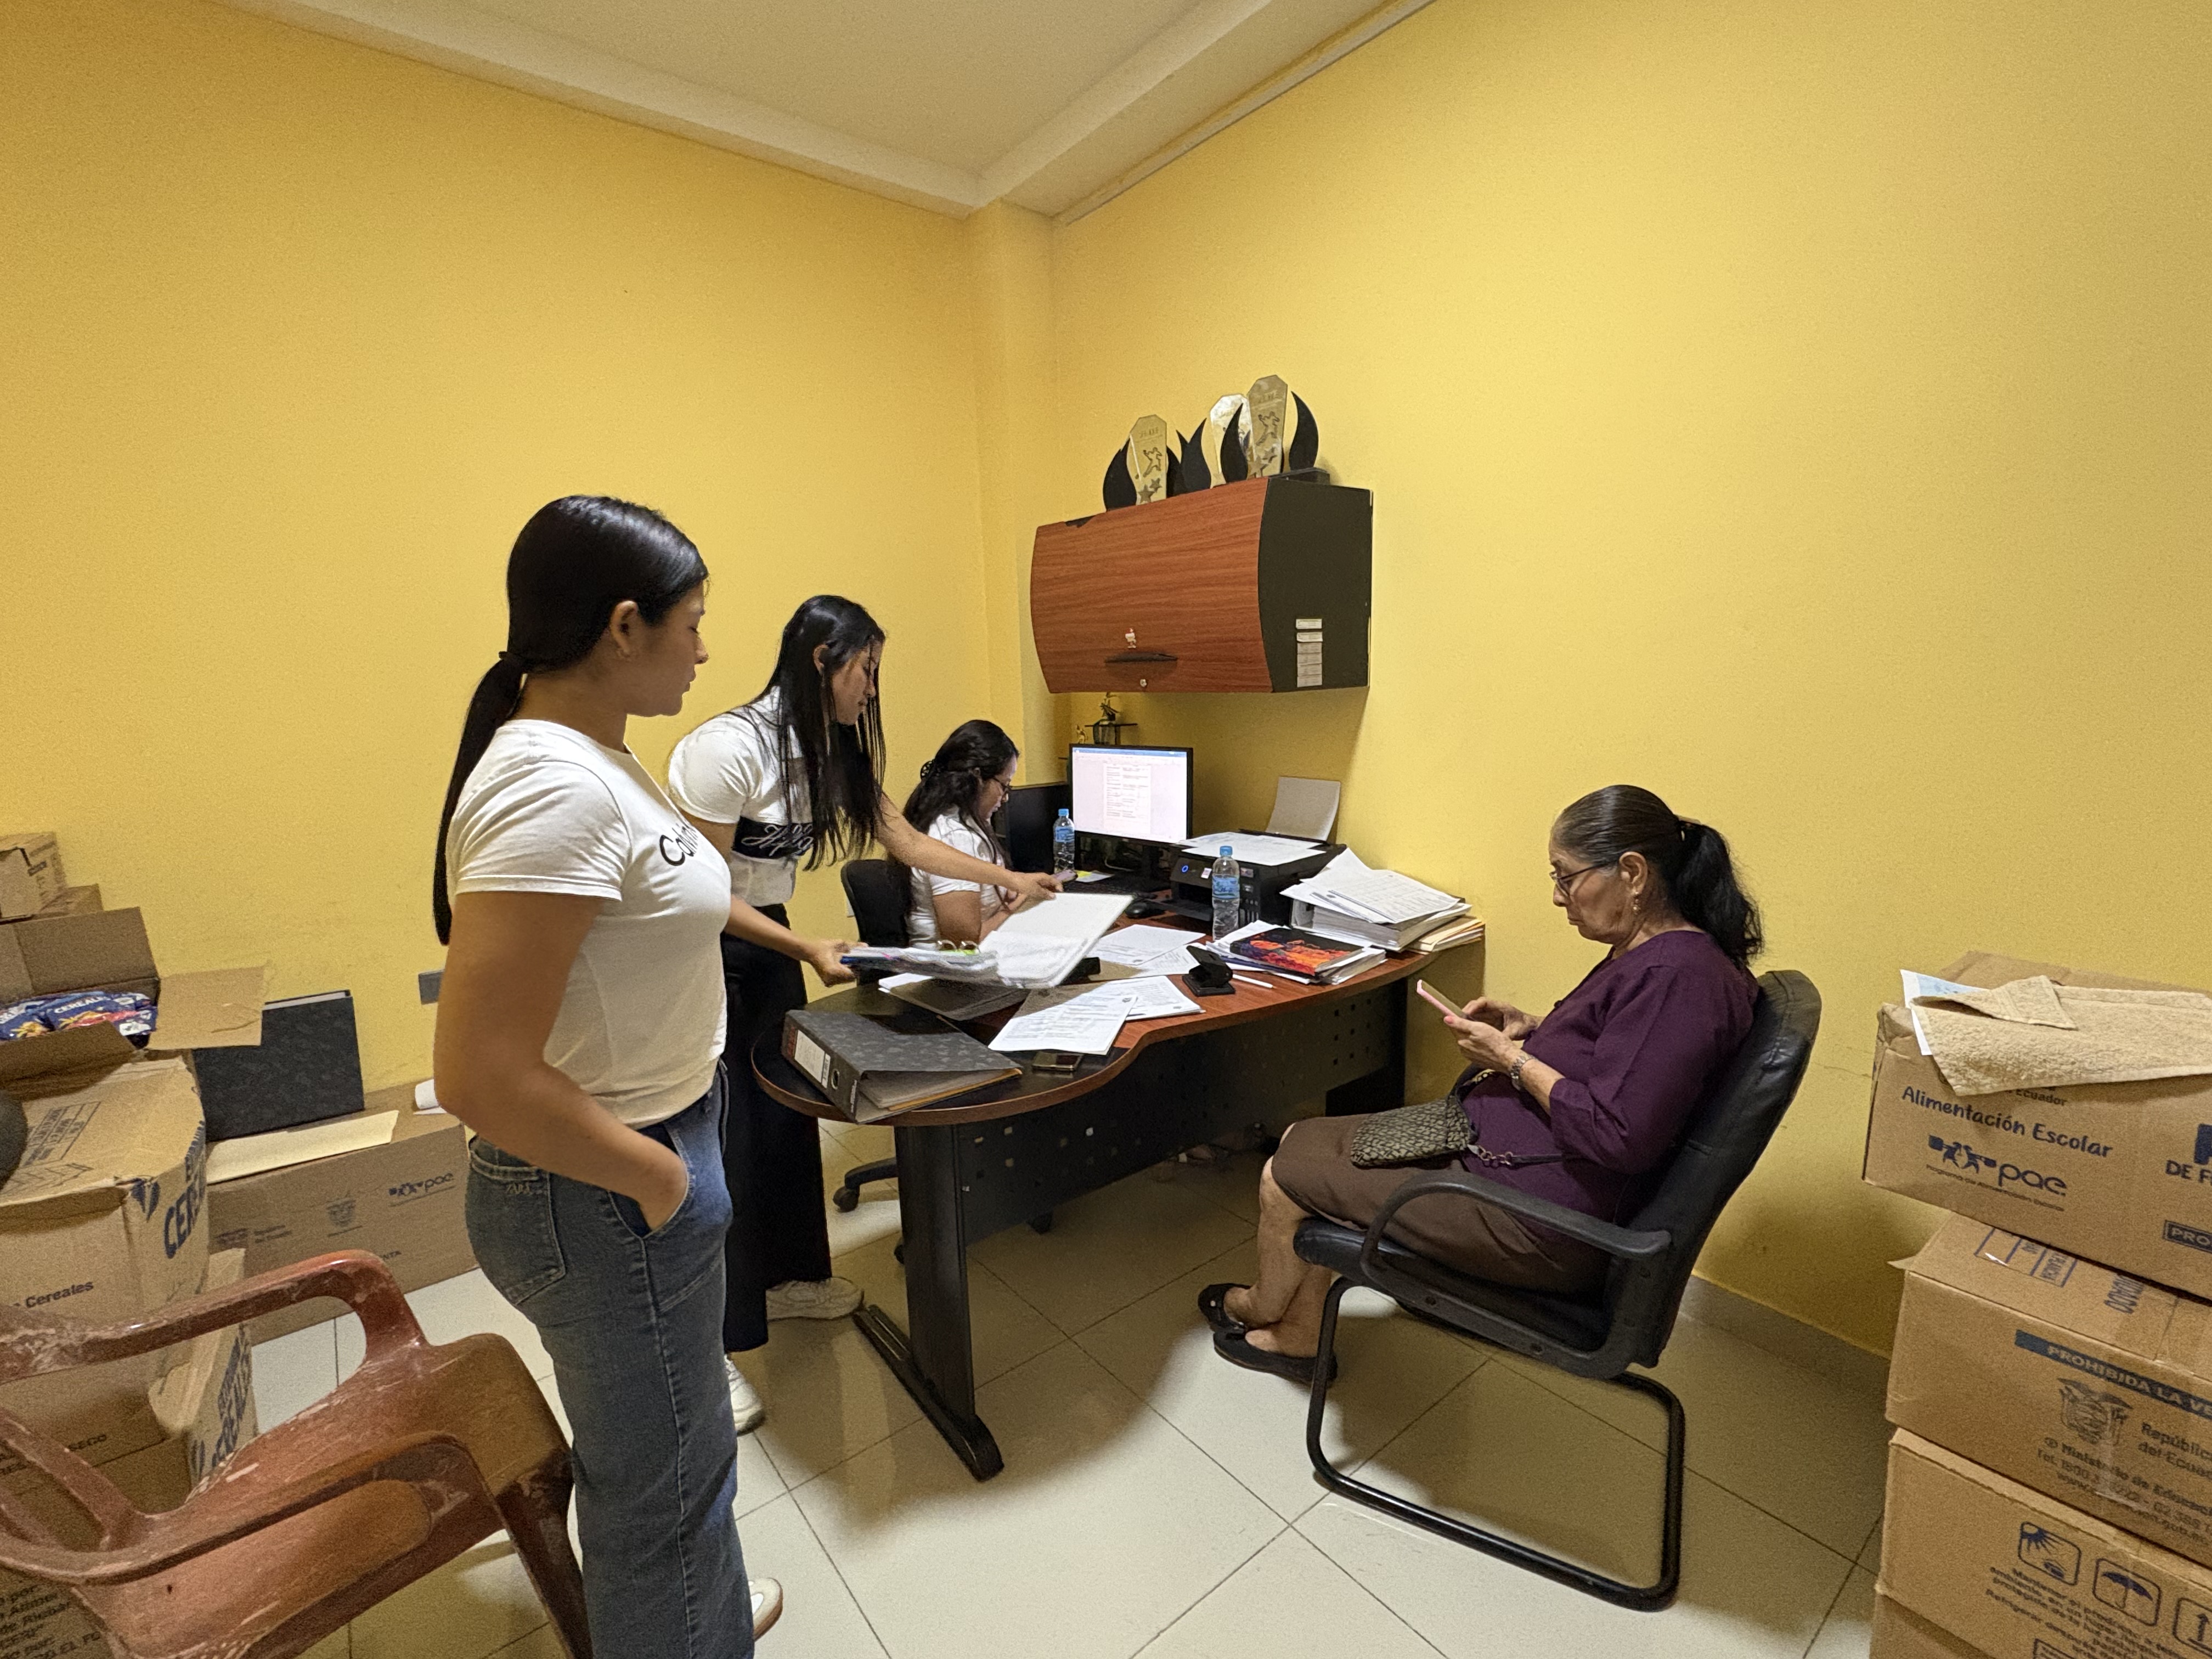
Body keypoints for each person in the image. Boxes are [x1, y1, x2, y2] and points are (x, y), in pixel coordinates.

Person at [432, 496, 779, 1656]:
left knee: (679, 1465)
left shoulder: (598, 756)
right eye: (692, 622)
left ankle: (697, 1615)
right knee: (663, 1498)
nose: (705, 649)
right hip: (605, 1189)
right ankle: (684, 1622)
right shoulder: (553, 787)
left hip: (639, 1161)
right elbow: (477, 1072)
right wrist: (657, 1179)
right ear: (623, 626)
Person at [1204, 784, 1761, 1382]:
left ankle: (1264, 1309)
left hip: (1536, 1222)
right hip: (1503, 1164)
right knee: (1304, 1138)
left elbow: (1618, 1133)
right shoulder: (1658, 956)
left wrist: (1511, 1060)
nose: (1558, 895)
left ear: (1632, 873)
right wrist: (1535, 1028)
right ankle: (1299, 1328)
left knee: (1284, 1174)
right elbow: (1627, 1055)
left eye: (1567, 876)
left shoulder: (1678, 978)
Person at [667, 597, 1059, 1423]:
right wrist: (807, 946)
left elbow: (907, 842)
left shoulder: (828, 751)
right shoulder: (727, 751)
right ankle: (715, 1352)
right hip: (708, 946)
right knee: (728, 1144)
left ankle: (792, 1280)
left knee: (784, 1122)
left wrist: (1009, 880)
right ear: (823, 660)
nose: (872, 690)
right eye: (866, 670)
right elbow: (699, 893)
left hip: (769, 938)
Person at [898, 720, 1022, 945]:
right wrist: (1017, 904)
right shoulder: (953, 837)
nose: (1005, 798)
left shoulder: (970, 822)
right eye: (1004, 786)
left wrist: (1008, 890)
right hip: (950, 963)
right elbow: (963, 944)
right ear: (978, 778)